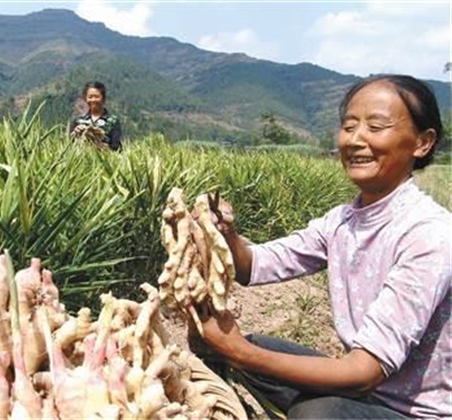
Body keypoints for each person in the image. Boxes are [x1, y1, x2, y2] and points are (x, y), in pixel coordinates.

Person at [191, 75, 451, 418]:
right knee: (210, 342)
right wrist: (226, 235)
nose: (356, 140)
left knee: (318, 413)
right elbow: (252, 266)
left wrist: (240, 353)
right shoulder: (342, 221)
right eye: (349, 126)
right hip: (363, 396)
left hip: (413, 412)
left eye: (376, 126)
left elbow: (363, 374)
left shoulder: (429, 235)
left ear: (422, 143)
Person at [69, 81, 122, 151]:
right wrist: (75, 134)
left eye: (96, 97)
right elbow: (70, 146)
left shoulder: (112, 121)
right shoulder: (78, 121)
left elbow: (116, 148)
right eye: (90, 97)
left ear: (103, 99)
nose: (93, 100)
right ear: (85, 99)